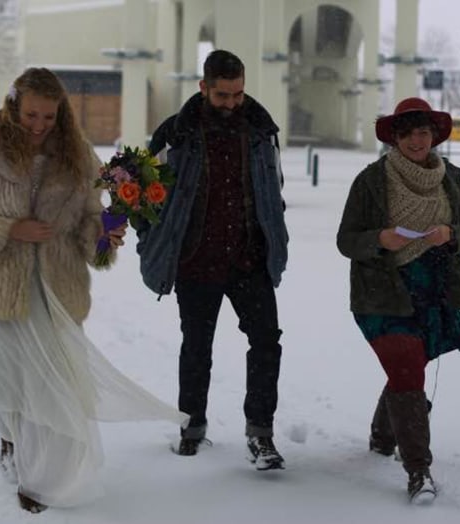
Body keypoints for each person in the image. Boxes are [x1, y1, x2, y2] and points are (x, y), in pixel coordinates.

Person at [0, 67, 188, 513]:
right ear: (13, 105)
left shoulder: (78, 154)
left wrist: (105, 236)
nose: (39, 125)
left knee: (47, 387)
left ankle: (37, 479)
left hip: (56, 286)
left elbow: (90, 217)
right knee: (4, 387)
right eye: (31, 114)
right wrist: (9, 228)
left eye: (49, 117)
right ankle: (11, 443)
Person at [139, 50, 289, 470]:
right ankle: (192, 426)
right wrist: (153, 241)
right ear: (203, 87)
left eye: (238, 94)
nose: (231, 103)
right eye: (223, 95)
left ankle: (261, 434)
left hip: (249, 258)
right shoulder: (175, 134)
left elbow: (274, 188)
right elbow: (144, 198)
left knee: (266, 341)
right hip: (196, 259)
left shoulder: (261, 131)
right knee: (197, 346)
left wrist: (275, 238)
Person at [336, 97, 460, 503]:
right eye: (408, 134)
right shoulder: (371, 180)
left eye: (424, 132)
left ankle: (384, 435)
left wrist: (452, 234)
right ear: (396, 138)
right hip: (380, 294)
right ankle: (419, 469)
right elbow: (346, 240)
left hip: (434, 291)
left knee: (409, 368)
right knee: (406, 365)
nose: (417, 141)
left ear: (434, 136)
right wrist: (380, 239)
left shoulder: (450, 178)